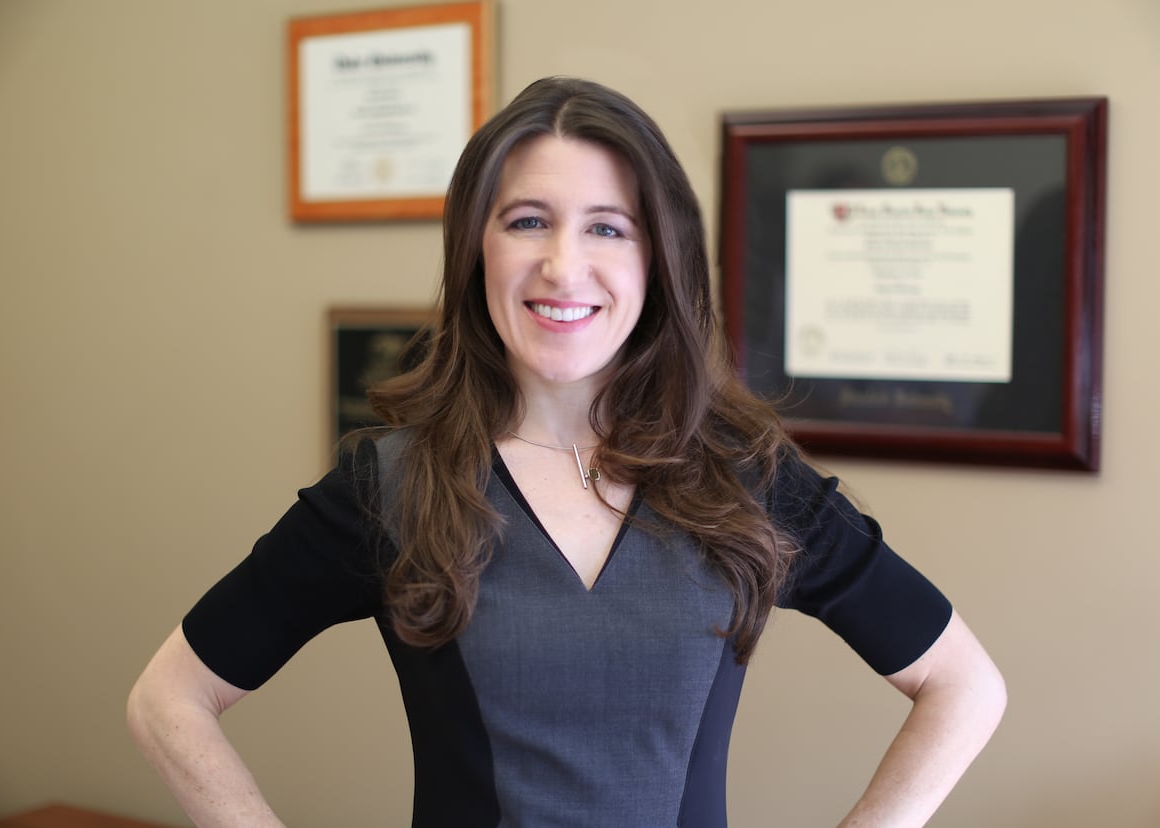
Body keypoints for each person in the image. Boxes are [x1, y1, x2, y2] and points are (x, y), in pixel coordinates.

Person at [127, 76, 1006, 827]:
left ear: (659, 258)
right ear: (476, 249)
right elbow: (168, 698)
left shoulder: (748, 479)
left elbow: (964, 685)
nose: (561, 264)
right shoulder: (389, 486)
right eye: (526, 221)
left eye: (607, 227)